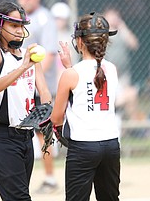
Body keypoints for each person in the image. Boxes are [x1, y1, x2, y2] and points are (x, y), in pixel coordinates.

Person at [0, 1, 52, 200]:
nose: (20, 31)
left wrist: (46, 115)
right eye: (14, 25)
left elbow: (44, 91)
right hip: (2, 140)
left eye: (22, 25)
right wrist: (23, 67)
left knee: (18, 196)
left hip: (26, 138)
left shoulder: (29, 57)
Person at [50, 12, 121, 200]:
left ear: (80, 42)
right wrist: (70, 68)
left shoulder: (72, 74)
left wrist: (69, 69)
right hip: (111, 144)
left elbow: (56, 118)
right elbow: (91, 79)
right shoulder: (112, 69)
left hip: (83, 147)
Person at [16, 0, 59, 193]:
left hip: (40, 86)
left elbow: (49, 56)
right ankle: (15, 179)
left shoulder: (44, 18)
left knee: (43, 132)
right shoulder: (18, 20)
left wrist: (34, 82)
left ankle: (50, 179)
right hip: (21, 85)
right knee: (16, 130)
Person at [103, 8, 143, 120]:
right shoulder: (102, 34)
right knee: (117, 99)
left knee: (129, 97)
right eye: (110, 16)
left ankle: (131, 126)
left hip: (123, 75)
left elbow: (134, 44)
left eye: (115, 16)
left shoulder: (122, 32)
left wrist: (122, 26)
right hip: (107, 76)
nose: (113, 18)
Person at [50, 2, 79, 84]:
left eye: (62, 19)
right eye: (56, 18)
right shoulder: (49, 35)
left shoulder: (70, 36)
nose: (59, 22)